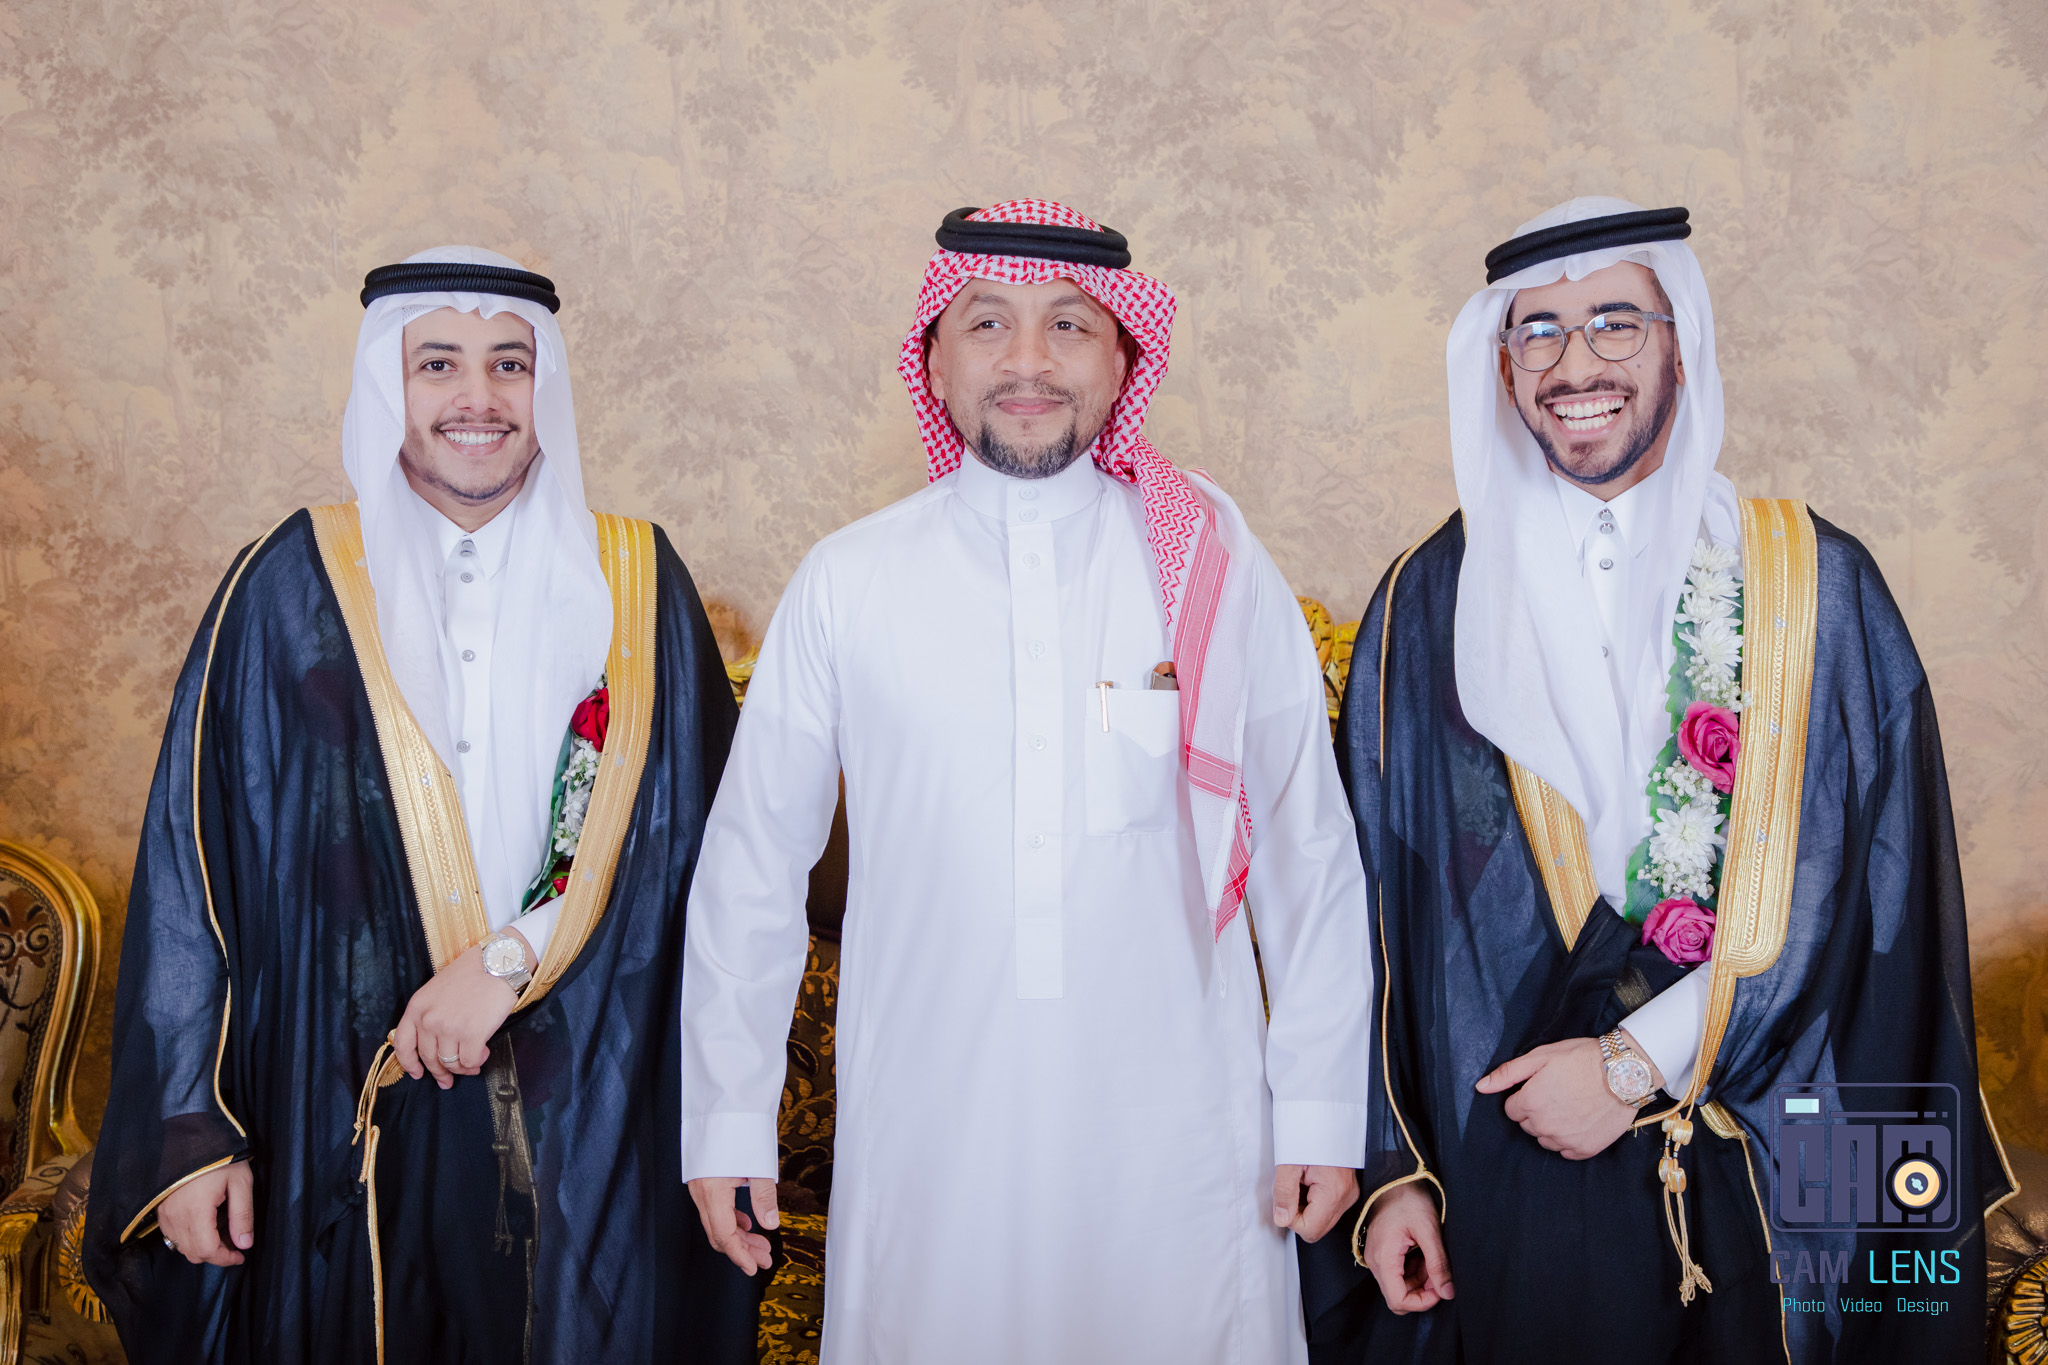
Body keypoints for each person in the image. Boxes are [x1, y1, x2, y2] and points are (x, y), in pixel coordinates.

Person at [1308, 199, 2016, 1364]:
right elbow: (1372, 912)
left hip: (1768, 1138)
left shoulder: (1815, 587)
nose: (1573, 364)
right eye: (1538, 331)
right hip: (1514, 1150)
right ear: (1501, 363)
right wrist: (1398, 1175)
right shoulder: (1424, 602)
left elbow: (1863, 897)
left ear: (1679, 344)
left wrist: (1635, 1061)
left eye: (1614, 322)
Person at [677, 200, 1374, 1363]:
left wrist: (1316, 1108)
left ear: (1123, 360)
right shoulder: (849, 580)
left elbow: (1305, 845)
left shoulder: (1210, 568)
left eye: (1069, 325)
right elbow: (751, 863)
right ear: (933, 362)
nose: (1028, 361)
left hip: (1179, 1145)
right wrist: (726, 1115)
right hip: (930, 1135)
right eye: (987, 323)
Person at [83, 248, 762, 1363]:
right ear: (385, 385)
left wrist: (505, 962)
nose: (477, 397)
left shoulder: (636, 580)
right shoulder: (288, 581)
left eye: (509, 364)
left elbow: (695, 850)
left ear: (547, 386)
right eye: (437, 363)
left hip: (588, 1101)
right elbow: (191, 865)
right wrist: (191, 1131)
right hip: (333, 1101)